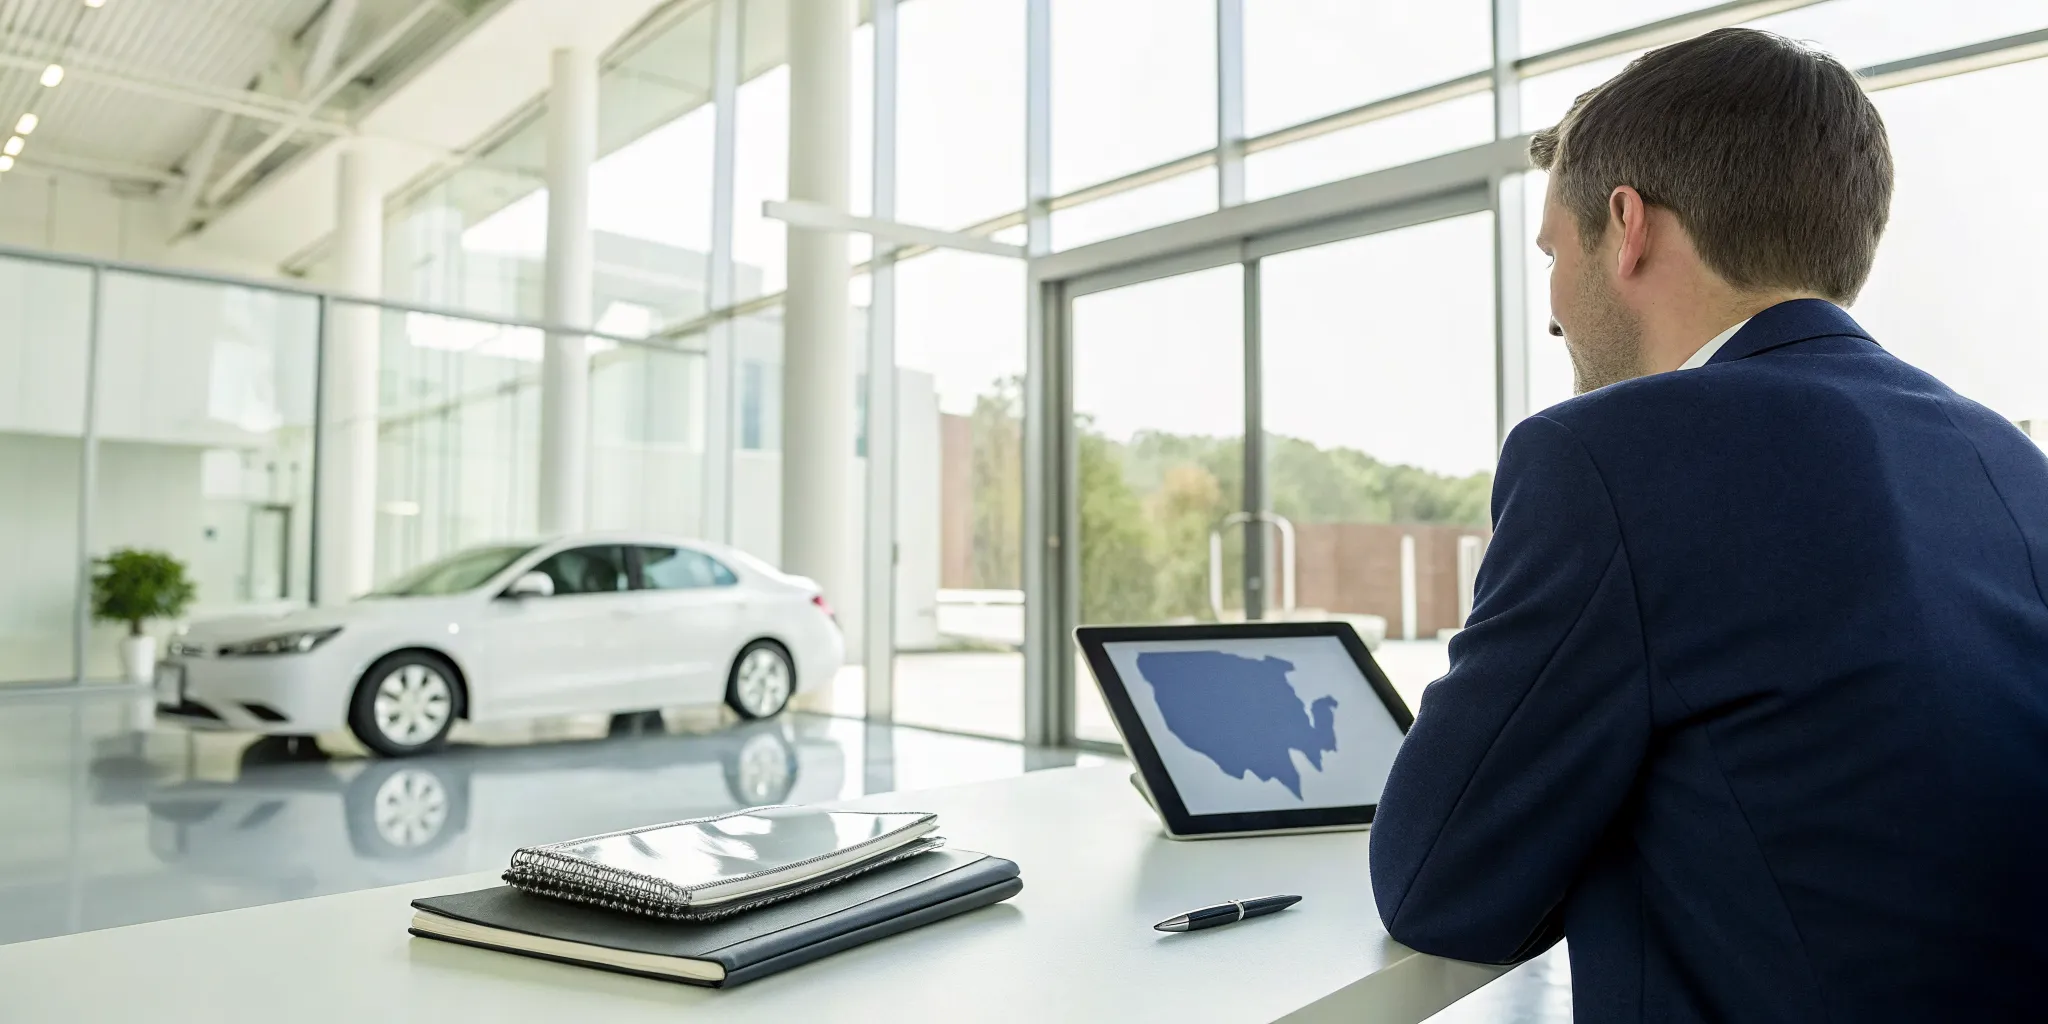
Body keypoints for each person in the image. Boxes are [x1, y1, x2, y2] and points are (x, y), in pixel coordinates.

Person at [1368, 27, 2048, 1024]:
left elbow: (1436, 879)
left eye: (1555, 252)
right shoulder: (2003, 459)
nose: (1553, 310)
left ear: (1627, 225)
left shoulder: (1611, 455)